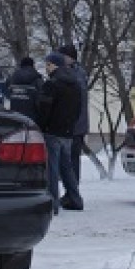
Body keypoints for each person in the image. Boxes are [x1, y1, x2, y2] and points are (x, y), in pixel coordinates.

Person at [38, 52, 84, 214]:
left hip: (52, 131)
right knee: (67, 168)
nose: (46, 68)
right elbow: (79, 110)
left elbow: (45, 109)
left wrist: (42, 126)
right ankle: (75, 198)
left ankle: (53, 203)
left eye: (48, 65)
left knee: (52, 168)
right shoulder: (76, 83)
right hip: (68, 132)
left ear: (54, 65)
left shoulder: (51, 84)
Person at [58, 44, 90, 188]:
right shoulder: (76, 73)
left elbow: (75, 102)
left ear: (70, 58)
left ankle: (72, 191)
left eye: (62, 56)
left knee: (71, 159)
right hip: (73, 124)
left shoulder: (75, 75)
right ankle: (71, 190)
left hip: (74, 125)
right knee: (69, 159)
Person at [6, 56, 44, 123]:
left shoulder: (11, 78)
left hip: (15, 118)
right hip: (32, 119)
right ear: (32, 65)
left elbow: (7, 96)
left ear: (21, 65)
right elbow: (41, 100)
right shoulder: (37, 79)